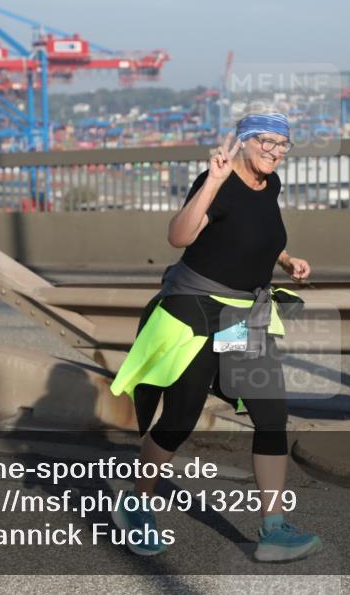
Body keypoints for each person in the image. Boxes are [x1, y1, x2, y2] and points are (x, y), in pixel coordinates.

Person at [108, 112, 323, 562]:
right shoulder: (217, 180)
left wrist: (285, 259)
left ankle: (272, 529)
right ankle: (136, 504)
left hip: (242, 317)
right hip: (196, 311)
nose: (275, 152)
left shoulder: (272, 185)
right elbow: (179, 235)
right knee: (181, 415)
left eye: (283, 145)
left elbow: (255, 232)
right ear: (243, 142)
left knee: (270, 414)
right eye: (266, 142)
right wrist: (211, 182)